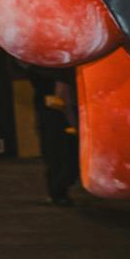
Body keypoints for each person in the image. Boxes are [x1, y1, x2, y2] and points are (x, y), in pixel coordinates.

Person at [27, 68, 77, 206]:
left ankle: (61, 189)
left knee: (66, 152)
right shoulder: (47, 71)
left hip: (66, 110)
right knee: (58, 153)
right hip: (54, 112)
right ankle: (58, 192)